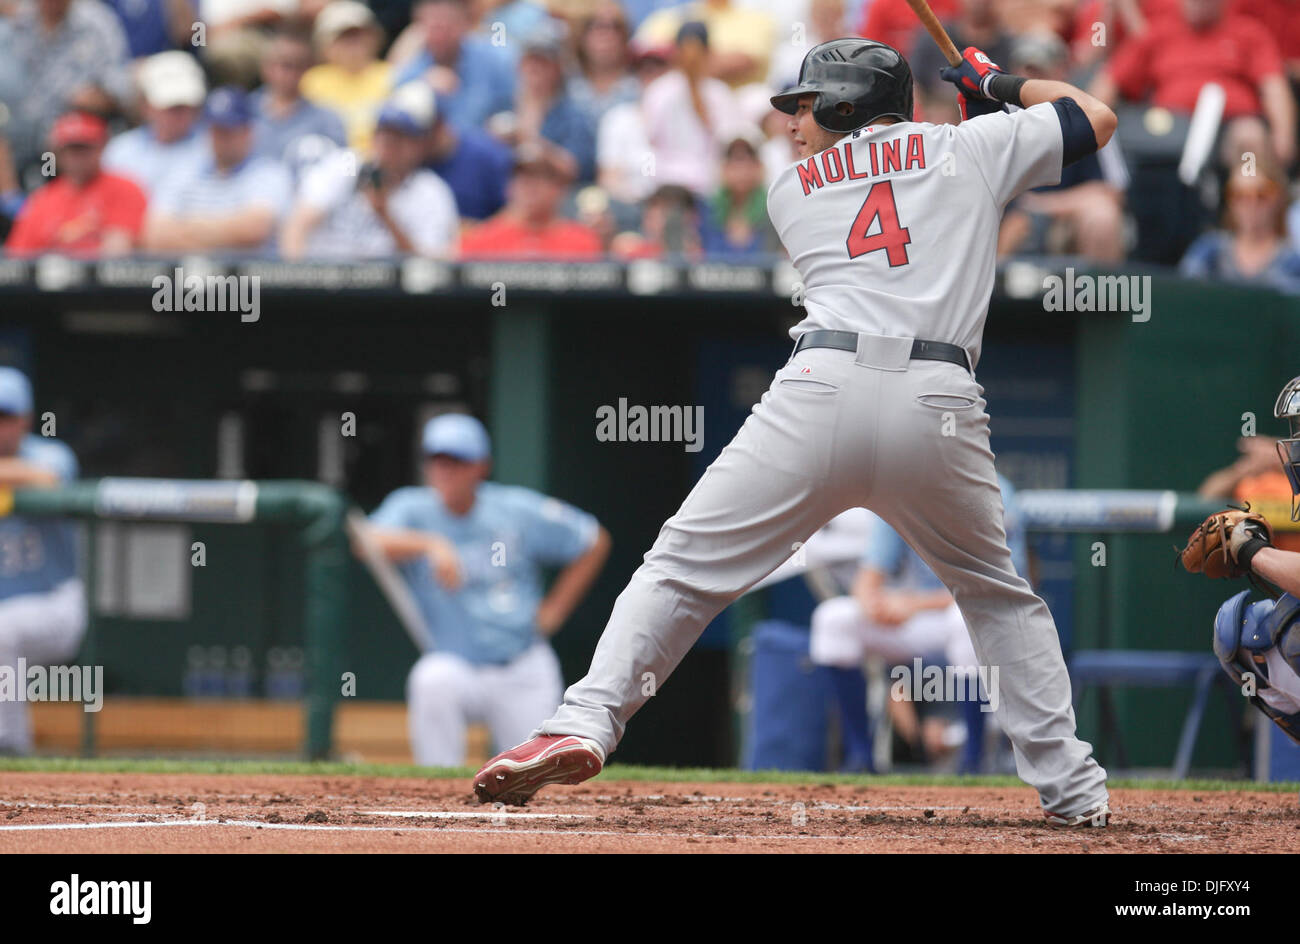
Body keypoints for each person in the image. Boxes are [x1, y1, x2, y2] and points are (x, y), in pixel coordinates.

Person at [473, 37, 1117, 828]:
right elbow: (1095, 116)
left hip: (821, 392)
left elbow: (899, 180)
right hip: (939, 402)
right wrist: (1000, 84)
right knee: (996, 598)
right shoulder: (971, 144)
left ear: (849, 103)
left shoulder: (791, 190)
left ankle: (583, 721)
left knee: (681, 568)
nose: (793, 123)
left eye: (808, 105)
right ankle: (1075, 792)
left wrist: (973, 122)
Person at [366, 413, 610, 766]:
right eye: (437, 460)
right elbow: (365, 541)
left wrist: (554, 611)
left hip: (521, 663)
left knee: (539, 783)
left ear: (481, 466)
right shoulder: (411, 507)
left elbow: (593, 539)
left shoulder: (514, 508)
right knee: (431, 678)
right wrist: (430, 544)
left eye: (457, 460)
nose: (445, 470)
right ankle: (440, 795)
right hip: (457, 664)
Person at [809, 474, 1024, 772]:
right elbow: (868, 578)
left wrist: (912, 604)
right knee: (834, 619)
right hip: (921, 621)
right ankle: (861, 758)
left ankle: (973, 760)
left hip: (982, 617)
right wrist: (874, 605)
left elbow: (1001, 584)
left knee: (964, 620)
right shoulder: (904, 488)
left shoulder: (994, 489)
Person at [1182, 376, 1300, 757]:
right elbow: (1206, 497)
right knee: (1246, 632)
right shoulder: (1264, 480)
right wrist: (1246, 468)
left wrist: (1251, 552)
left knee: (1290, 629)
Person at [1090, 0, 1296, 171]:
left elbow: (1273, 85)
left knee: (1251, 137)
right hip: (1170, 128)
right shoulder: (1157, 32)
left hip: (1230, 128)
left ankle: (1248, 208)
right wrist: (1089, 125)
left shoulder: (1248, 32)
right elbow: (1110, 80)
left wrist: (1283, 135)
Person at [0, 368, 84, 756]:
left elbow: (48, 479)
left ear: (26, 420)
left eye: (6, 417)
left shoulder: (51, 453)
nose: (0, 427)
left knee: (2, 628)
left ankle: (10, 748)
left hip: (54, 603)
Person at [281, 84, 460, 259]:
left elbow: (431, 268)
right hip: (323, 279)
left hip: (388, 287)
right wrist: (298, 277)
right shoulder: (347, 164)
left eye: (399, 137)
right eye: (383, 134)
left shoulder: (430, 191)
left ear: (419, 144)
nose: (388, 145)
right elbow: (297, 226)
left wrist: (385, 215)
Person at [142, 86, 292, 254]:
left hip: (251, 279)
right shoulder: (185, 169)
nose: (221, 139)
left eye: (229, 131)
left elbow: (253, 229)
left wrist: (188, 226)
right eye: (216, 130)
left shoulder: (269, 173)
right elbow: (155, 235)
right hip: (185, 278)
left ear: (248, 131)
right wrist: (221, 235)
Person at [6, 0, 134, 178]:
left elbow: (121, 87)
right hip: (25, 142)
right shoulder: (19, 23)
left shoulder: (96, 22)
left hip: (79, 135)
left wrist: (94, 97)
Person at [5, 112, 147, 257]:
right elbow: (18, 256)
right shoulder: (42, 199)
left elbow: (119, 248)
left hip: (102, 277)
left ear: (100, 149)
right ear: (58, 154)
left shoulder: (124, 188)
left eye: (84, 148)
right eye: (71, 149)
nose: (77, 158)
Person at [640, 21, 738, 196]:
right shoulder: (659, 91)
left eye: (697, 50)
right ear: (676, 53)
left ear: (708, 53)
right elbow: (649, 140)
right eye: (686, 50)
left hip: (709, 184)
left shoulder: (719, 93)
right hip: (667, 182)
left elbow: (726, 142)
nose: (691, 57)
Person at [458, 145, 602, 258]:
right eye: (521, 178)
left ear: (560, 188)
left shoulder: (582, 242)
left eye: (541, 178)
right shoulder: (480, 240)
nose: (529, 186)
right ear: (509, 186)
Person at [391, 0, 514, 132]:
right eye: (434, 27)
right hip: (433, 150)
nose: (440, 35)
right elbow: (396, 122)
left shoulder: (493, 60)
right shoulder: (412, 72)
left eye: (447, 26)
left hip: (487, 145)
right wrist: (422, 90)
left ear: (464, 25)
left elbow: (511, 106)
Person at [102, 50, 209, 199]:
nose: (180, 114)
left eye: (186, 105)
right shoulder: (119, 152)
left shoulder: (212, 148)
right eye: (170, 107)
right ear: (145, 105)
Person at [1180, 163, 1300, 293]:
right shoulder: (1208, 251)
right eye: (1239, 195)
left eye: (1262, 195)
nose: (1250, 204)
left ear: (1279, 199)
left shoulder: (1292, 263)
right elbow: (1184, 297)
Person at [300, 0, 393, 154]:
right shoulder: (312, 81)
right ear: (326, 46)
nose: (352, 45)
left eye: (358, 36)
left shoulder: (391, 75)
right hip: (329, 161)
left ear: (374, 38)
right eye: (343, 38)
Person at [252, 26, 348, 166]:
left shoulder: (327, 119)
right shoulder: (244, 112)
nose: (290, 74)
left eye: (299, 66)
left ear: (308, 69)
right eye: (285, 65)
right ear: (265, 67)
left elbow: (341, 168)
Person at [424, 92, 514, 222]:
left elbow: (516, 211)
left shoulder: (487, 155)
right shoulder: (407, 166)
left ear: (439, 125)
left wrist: (476, 233)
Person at [700, 126, 778, 257]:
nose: (741, 169)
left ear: (759, 166)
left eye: (748, 159)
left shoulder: (773, 210)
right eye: (734, 160)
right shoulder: (707, 209)